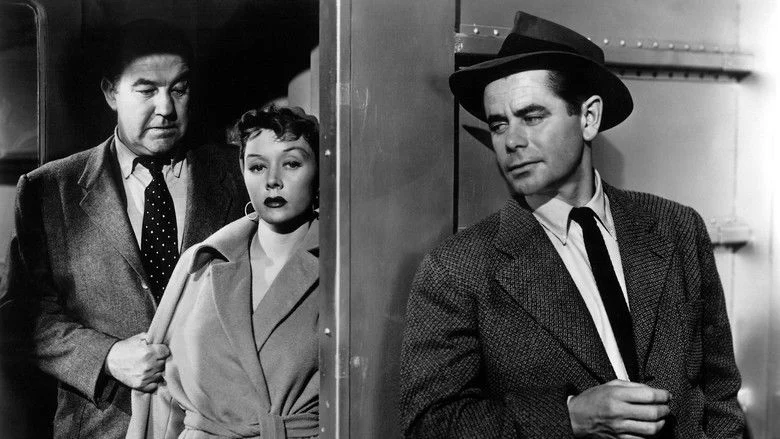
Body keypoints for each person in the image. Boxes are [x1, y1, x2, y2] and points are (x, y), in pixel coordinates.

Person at [399, 11, 746, 438]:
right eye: (499, 124)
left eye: (532, 117)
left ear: (588, 118)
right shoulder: (457, 268)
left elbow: (720, 393)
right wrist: (569, 417)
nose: (511, 141)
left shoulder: (676, 228)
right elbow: (429, 424)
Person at [3, 19, 248, 438]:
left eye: (179, 88)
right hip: (104, 424)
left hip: (219, 424)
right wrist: (107, 356)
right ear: (111, 92)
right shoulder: (49, 189)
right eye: (147, 90)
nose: (166, 108)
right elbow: (21, 312)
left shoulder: (241, 173)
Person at [126, 105, 320, 439]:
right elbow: (160, 395)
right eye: (257, 166)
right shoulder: (200, 264)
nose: (273, 180)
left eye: (291, 163)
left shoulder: (343, 269)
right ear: (242, 172)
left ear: (319, 173)